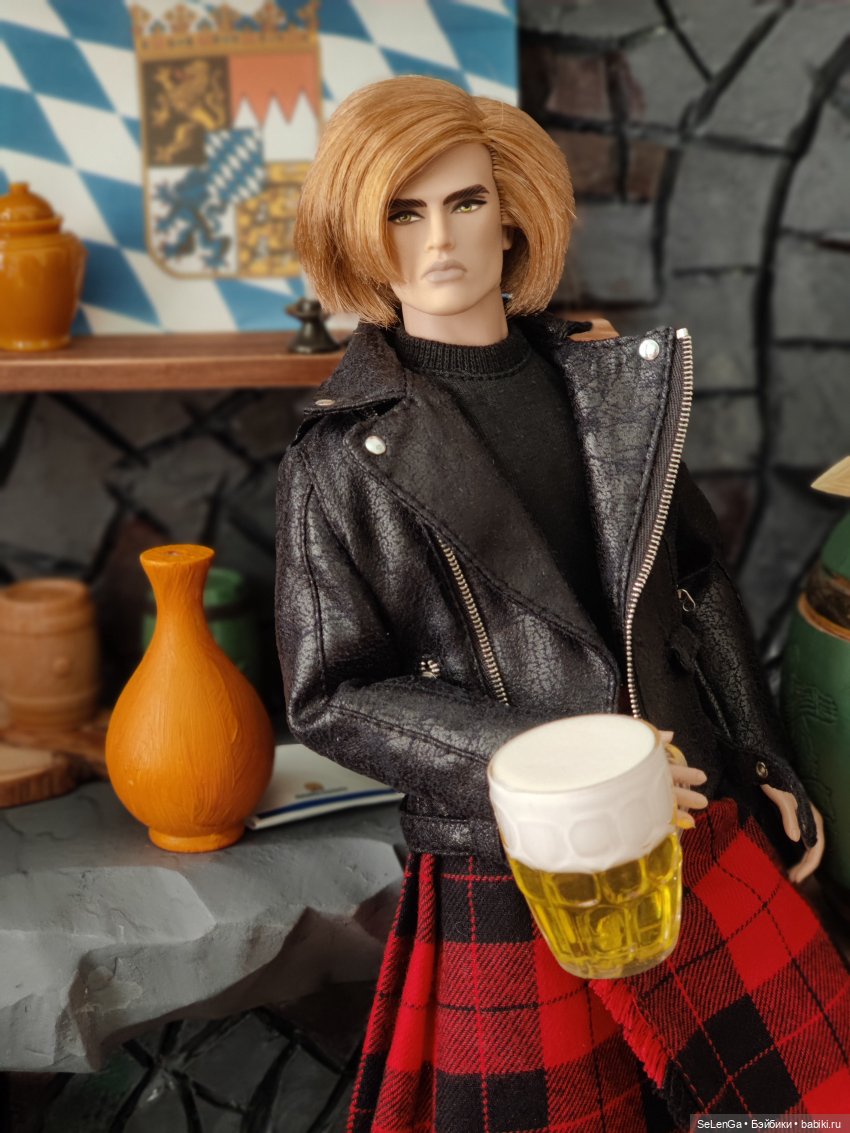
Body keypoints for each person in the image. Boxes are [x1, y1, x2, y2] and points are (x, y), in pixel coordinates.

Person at [276, 76, 849, 1131]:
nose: (437, 239)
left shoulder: (611, 387)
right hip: (514, 861)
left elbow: (693, 579)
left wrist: (763, 751)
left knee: (813, 1101)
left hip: (692, 812)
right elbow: (333, 692)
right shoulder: (342, 458)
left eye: (465, 201)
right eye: (401, 211)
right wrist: (547, 761)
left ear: (512, 215)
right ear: (358, 232)